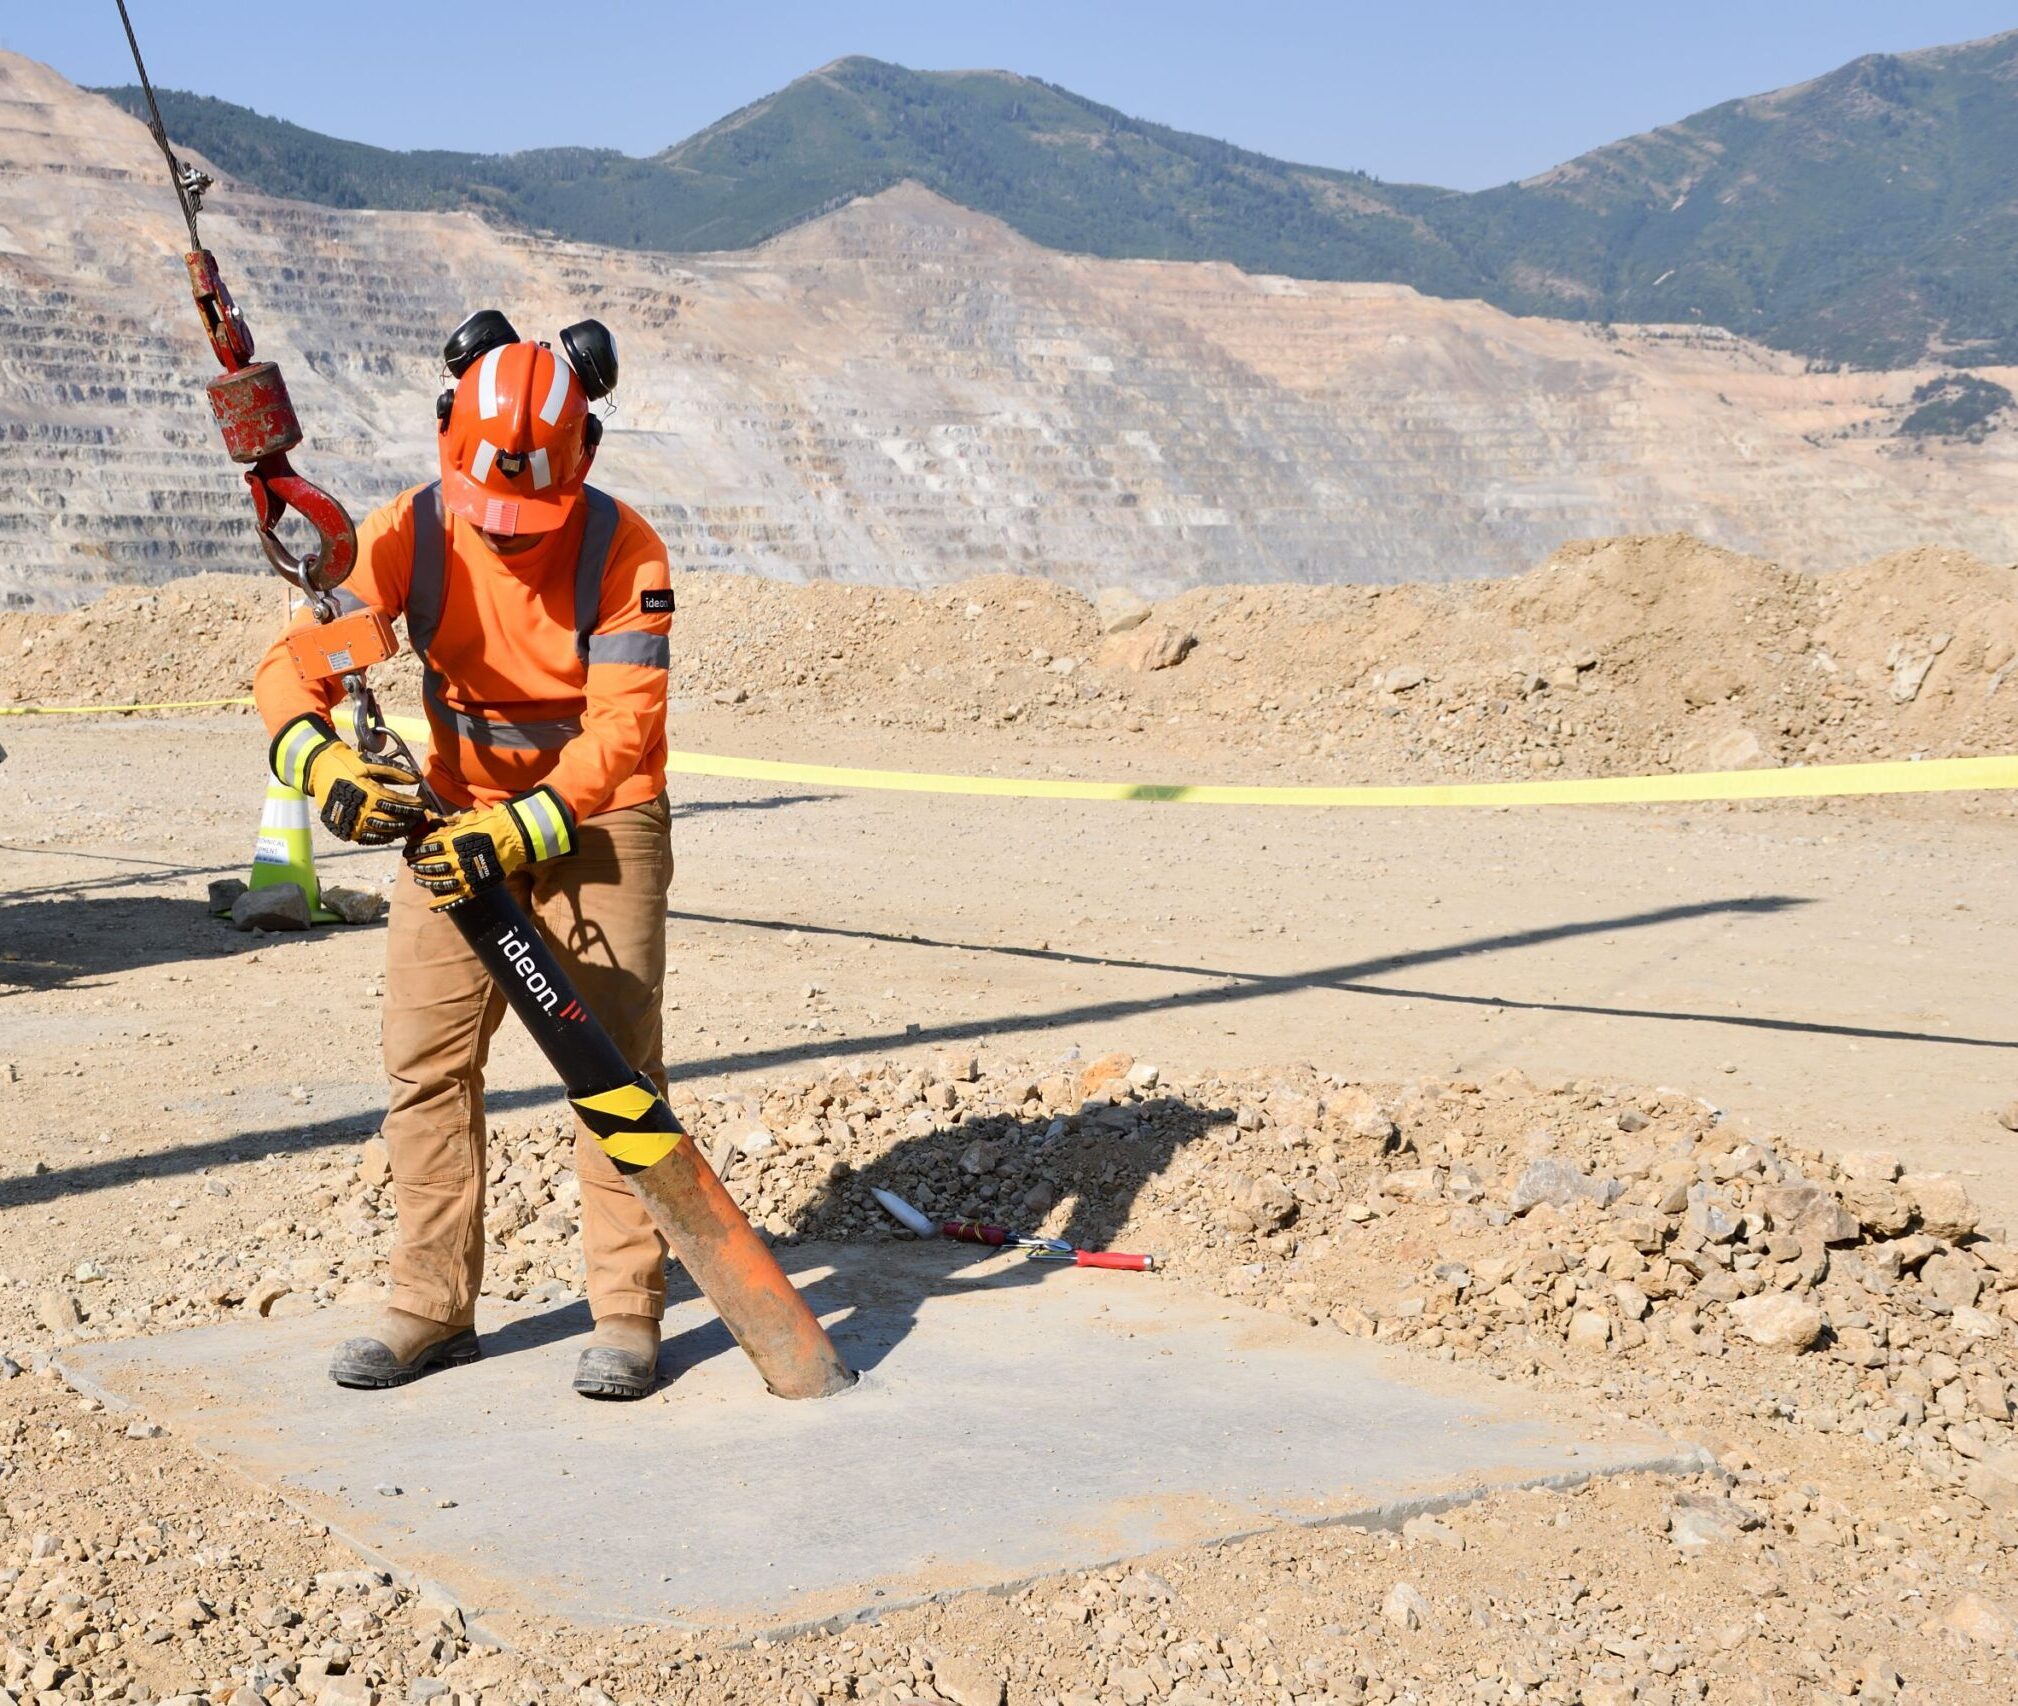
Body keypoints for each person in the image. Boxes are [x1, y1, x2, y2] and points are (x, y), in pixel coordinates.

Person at [252, 311, 677, 1400]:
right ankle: (431, 1305)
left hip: (598, 822)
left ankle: (625, 1311)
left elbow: (621, 732)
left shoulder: (626, 552)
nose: (510, 535)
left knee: (612, 1067)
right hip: (452, 813)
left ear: (585, 453)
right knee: (427, 1062)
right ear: (449, 439)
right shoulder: (409, 534)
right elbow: (296, 668)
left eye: (532, 514)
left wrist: (524, 827)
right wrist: (321, 767)